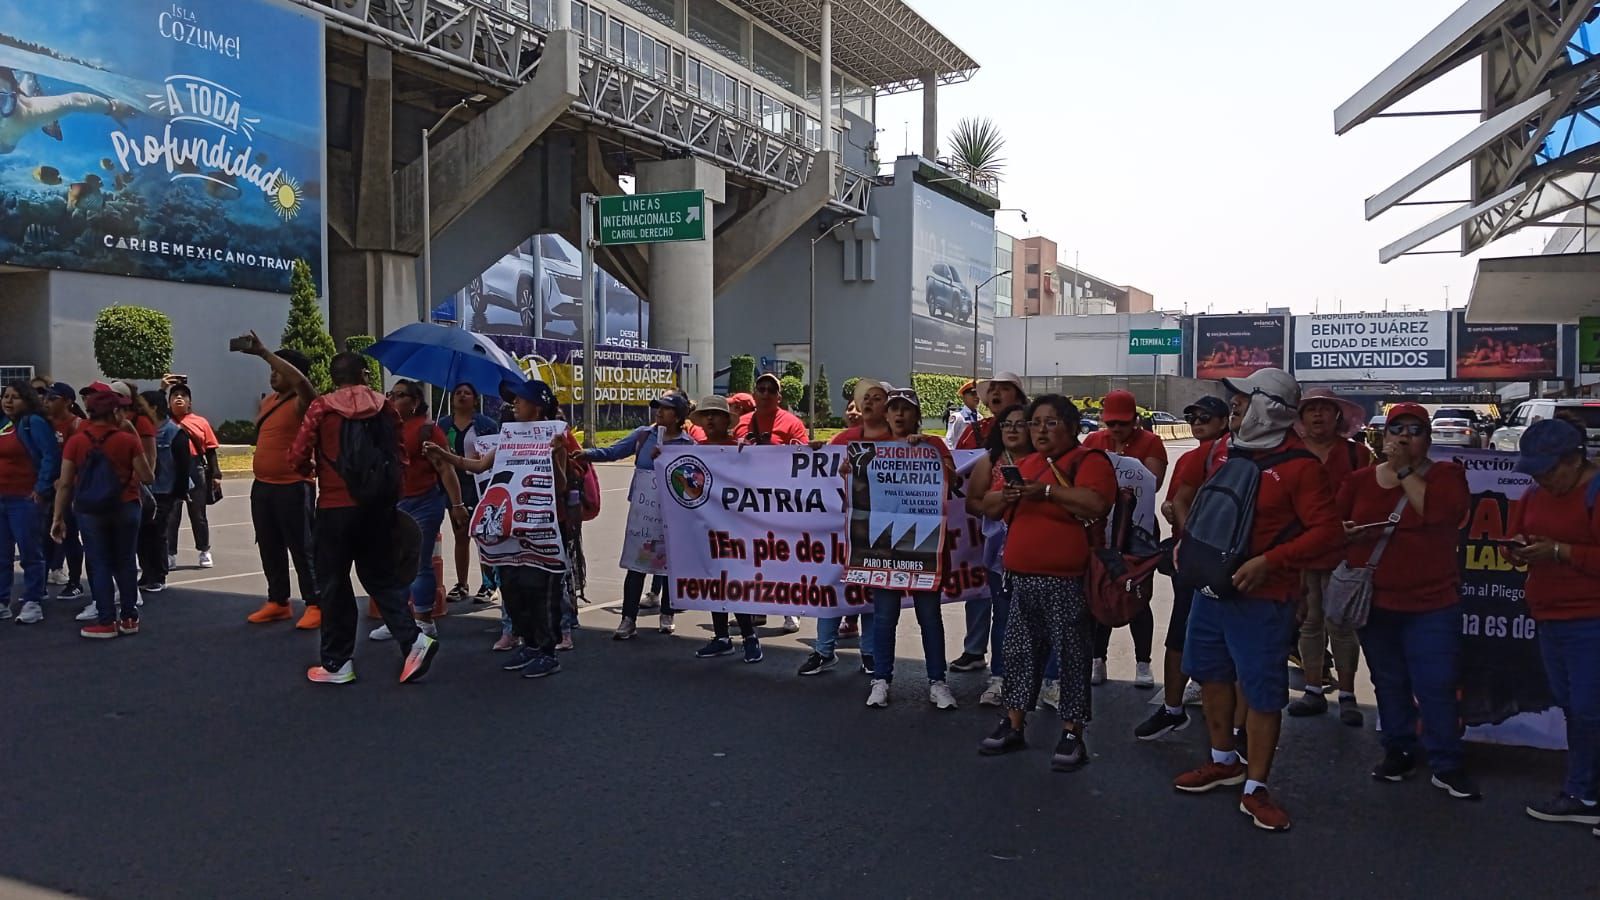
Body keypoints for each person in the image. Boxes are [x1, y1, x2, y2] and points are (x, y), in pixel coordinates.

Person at [1172, 368, 1341, 833]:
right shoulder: (1227, 452)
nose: (1236, 406)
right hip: (1213, 591)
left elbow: (1328, 535)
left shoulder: (1302, 468)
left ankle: (1256, 787)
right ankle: (1223, 760)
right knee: (1209, 673)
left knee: (1264, 695)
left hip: (1263, 599)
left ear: (1269, 407)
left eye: (1245, 398)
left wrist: (1271, 561)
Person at [1337, 403, 1477, 800]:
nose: (1404, 437)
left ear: (1427, 439)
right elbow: (1334, 526)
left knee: (1435, 684)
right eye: (1397, 429)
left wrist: (1402, 472)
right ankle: (1398, 749)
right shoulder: (1360, 481)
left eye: (1415, 431)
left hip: (1432, 603)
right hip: (1377, 603)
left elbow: (1436, 515)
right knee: (1389, 681)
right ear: (1383, 436)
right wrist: (1346, 532)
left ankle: (1446, 762)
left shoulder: (1448, 476)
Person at [977, 395, 1116, 771]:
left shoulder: (1088, 461)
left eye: (1050, 423)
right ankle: (1014, 721)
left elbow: (1095, 504)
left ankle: (1073, 732)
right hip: (1022, 579)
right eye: (1034, 423)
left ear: (1072, 427)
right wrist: (1004, 496)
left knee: (1071, 657)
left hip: (1067, 581)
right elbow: (987, 507)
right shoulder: (1027, 464)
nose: (1039, 430)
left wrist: (1049, 492)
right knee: (1020, 653)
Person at [290, 352, 437, 685]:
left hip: (334, 506)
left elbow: (297, 454)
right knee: (380, 578)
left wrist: (309, 469)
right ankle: (413, 640)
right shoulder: (384, 406)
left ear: (334, 376)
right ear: (364, 375)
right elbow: (400, 455)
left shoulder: (321, 407)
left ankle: (337, 663)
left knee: (333, 583)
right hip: (377, 507)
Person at [426, 379, 569, 680]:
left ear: (538, 406)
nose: (513, 405)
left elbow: (561, 486)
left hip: (540, 526)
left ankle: (548, 652)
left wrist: (556, 456)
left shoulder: (554, 436)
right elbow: (477, 467)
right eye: (513, 400)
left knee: (540, 591)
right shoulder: (508, 436)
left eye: (520, 400)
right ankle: (529, 644)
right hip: (509, 528)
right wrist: (444, 454)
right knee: (514, 588)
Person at [1507, 419, 1600, 830]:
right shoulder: (1533, 493)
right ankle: (1584, 789)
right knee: (1575, 709)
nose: (1543, 479)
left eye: (1549, 471)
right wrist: (1520, 552)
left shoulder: (1595, 493)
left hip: (1590, 620)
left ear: (1575, 460)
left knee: (1587, 710)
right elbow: (1519, 535)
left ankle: (1583, 792)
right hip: (1550, 618)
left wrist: (1561, 551)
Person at [854, 388, 958, 710]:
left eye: (906, 410)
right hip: (885, 548)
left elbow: (952, 482)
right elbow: (851, 488)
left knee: (930, 617)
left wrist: (929, 454)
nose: (899, 415)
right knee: (885, 617)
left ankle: (937, 682)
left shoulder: (935, 445)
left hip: (924, 547)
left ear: (917, 416)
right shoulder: (871, 450)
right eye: (893, 409)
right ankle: (881, 680)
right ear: (886, 415)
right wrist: (848, 471)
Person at [1136, 395, 1231, 740]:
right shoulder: (1191, 458)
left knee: (1226, 641)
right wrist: (1175, 518)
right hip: (1188, 562)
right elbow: (1172, 501)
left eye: (1206, 416)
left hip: (1226, 563)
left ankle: (1231, 726)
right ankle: (1173, 709)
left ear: (1226, 421)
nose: (1198, 422)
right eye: (1192, 417)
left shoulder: (1239, 458)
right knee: (1179, 633)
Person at [578, 391, 698, 639]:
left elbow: (694, 482)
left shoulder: (689, 446)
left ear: (677, 416)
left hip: (672, 517)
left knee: (670, 566)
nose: (659, 412)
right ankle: (627, 619)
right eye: (658, 408)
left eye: (665, 408)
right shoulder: (644, 435)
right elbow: (613, 452)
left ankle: (668, 613)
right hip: (643, 516)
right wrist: (586, 454)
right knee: (636, 566)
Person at [1288, 387, 1374, 725]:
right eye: (1312, 409)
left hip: (1344, 549)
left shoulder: (1358, 455)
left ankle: (1348, 695)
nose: (1318, 415)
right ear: (1301, 416)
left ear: (1338, 415)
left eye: (1325, 409)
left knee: (1340, 623)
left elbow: (1371, 500)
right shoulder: (1290, 452)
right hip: (1300, 549)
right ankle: (1313, 689)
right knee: (1309, 622)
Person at [798, 379, 890, 677]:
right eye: (864, 398)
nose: (868, 403)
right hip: (840, 528)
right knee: (832, 585)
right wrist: (816, 452)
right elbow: (822, 471)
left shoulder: (899, 441)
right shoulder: (845, 438)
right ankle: (824, 650)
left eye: (876, 398)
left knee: (871, 590)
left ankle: (870, 653)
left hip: (881, 528)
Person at [234, 334, 322, 629]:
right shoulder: (269, 400)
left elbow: (303, 385)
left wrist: (264, 353)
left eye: (278, 369)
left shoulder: (302, 401)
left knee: (302, 546)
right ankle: (278, 601)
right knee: (269, 545)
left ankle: (315, 602)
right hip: (263, 485)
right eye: (271, 369)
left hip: (294, 486)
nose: (273, 373)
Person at [369, 379, 467, 642]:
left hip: (424, 503)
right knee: (394, 564)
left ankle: (424, 620)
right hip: (395, 503)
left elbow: (446, 469)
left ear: (414, 402)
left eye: (399, 395)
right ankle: (398, 620)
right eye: (390, 394)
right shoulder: (387, 428)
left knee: (419, 563)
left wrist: (457, 506)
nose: (392, 399)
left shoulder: (428, 431)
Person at [1082, 389, 1168, 688]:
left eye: (1122, 423)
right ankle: (1097, 659)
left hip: (1138, 530)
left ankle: (1143, 663)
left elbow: (1153, 484)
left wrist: (1125, 466)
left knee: (1138, 595)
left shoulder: (1151, 441)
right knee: (1098, 593)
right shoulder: (1094, 441)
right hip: (1101, 529)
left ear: (1135, 419)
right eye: (1111, 423)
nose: (1115, 429)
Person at [52, 389, 153, 639]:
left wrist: (58, 517)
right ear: (115, 412)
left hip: (90, 509)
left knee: (99, 563)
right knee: (126, 562)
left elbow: (65, 483)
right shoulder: (127, 439)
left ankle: (106, 620)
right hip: (126, 505)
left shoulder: (77, 441)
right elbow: (148, 476)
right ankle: (129, 618)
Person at [963, 403, 1030, 706]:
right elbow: (972, 503)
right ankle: (1000, 678)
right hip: (1000, 556)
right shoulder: (989, 461)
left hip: (1042, 555)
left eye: (1020, 424)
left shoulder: (1046, 461)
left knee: (1046, 621)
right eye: (1006, 425)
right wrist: (998, 501)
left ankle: (1050, 682)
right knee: (1003, 617)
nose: (1013, 430)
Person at [689, 395, 763, 664]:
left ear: (726, 420)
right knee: (713, 581)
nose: (709, 419)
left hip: (736, 528)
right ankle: (721, 637)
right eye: (705, 415)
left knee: (735, 582)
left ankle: (749, 636)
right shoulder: (695, 450)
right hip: (707, 527)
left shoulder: (740, 449)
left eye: (715, 415)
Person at [0, 382, 59, 624]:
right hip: (1, 497)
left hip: (24, 498)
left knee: (30, 552)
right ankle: (2, 601)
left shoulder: (33, 422)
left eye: (15, 397)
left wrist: (41, 488)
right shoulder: (3, 424)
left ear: (28, 400)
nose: (8, 401)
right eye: (5, 396)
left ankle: (33, 600)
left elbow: (50, 455)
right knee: (1, 555)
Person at [437, 383, 500, 604]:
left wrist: (478, 461)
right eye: (458, 393)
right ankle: (462, 584)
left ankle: (489, 584)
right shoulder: (442, 425)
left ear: (475, 399)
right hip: (454, 486)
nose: (462, 396)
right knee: (460, 535)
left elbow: (494, 454)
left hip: (481, 485)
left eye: (467, 393)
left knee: (484, 536)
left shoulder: (487, 425)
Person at [135, 390, 190, 595]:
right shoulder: (142, 430)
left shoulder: (174, 432)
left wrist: (179, 491)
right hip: (145, 489)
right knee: (142, 533)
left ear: (154, 408)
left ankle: (159, 575)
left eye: (142, 406)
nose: (138, 410)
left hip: (165, 491)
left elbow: (184, 465)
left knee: (157, 533)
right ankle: (147, 573)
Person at [166, 380, 220, 569]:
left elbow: (211, 450)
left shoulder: (200, 422)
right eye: (174, 395)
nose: (179, 398)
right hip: (170, 469)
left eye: (183, 396)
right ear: (169, 401)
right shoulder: (164, 421)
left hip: (195, 467)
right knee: (171, 515)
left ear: (190, 402)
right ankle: (169, 554)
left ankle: (204, 550)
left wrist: (215, 475)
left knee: (198, 514)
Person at [42, 382, 84, 600]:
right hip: (45, 488)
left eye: (53, 398)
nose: (47, 402)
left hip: (69, 490)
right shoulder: (42, 424)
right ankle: (40, 581)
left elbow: (85, 461)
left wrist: (68, 481)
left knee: (69, 535)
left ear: (68, 401)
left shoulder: (77, 425)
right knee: (43, 536)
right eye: (46, 398)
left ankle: (75, 582)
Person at [956, 371, 1027, 451]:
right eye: (991, 389)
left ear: (1019, 399)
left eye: (1004, 388)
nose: (995, 392)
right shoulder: (975, 430)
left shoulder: (1031, 428)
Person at [734, 373, 809, 446]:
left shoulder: (793, 424)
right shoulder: (739, 422)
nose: (766, 393)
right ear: (753, 395)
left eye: (772, 390)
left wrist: (815, 448)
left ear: (779, 398)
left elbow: (804, 450)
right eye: (761, 389)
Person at [945, 380, 981, 447]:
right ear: (964, 398)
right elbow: (949, 439)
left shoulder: (980, 417)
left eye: (978, 394)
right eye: (973, 394)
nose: (977, 397)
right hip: (961, 454)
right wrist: (951, 456)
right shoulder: (958, 417)